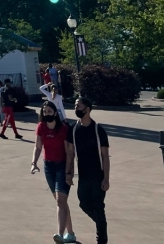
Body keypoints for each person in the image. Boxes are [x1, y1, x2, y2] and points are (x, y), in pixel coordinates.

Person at [31, 101, 76, 244]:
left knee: (60, 200)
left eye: (49, 111)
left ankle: (60, 234)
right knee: (61, 201)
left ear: (55, 113)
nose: (47, 114)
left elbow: (69, 152)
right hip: (48, 167)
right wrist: (33, 163)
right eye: (44, 112)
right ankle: (71, 234)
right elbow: (38, 147)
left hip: (62, 166)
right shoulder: (41, 127)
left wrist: (69, 172)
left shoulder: (63, 129)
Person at [66, 96, 110, 244]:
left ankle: (101, 239)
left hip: (98, 176)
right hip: (83, 176)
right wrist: (68, 173)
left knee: (98, 206)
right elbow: (70, 153)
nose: (76, 108)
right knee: (84, 204)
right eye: (75, 106)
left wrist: (106, 179)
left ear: (88, 109)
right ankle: (101, 224)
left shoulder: (98, 130)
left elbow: (105, 156)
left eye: (79, 106)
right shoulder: (73, 129)